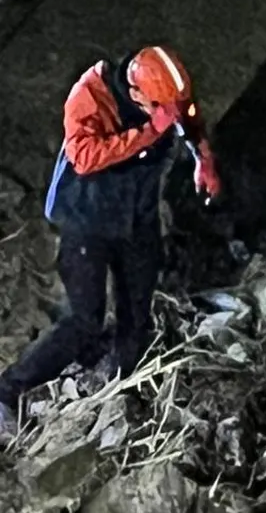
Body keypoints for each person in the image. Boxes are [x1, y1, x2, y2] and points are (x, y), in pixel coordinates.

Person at [0, 45, 221, 433]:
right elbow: (84, 157)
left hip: (136, 214)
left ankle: (121, 385)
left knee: (137, 308)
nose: (168, 119)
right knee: (85, 319)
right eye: (159, 110)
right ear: (136, 95)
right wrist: (149, 131)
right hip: (88, 217)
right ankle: (8, 390)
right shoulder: (88, 96)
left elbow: (185, 113)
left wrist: (203, 157)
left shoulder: (163, 95)